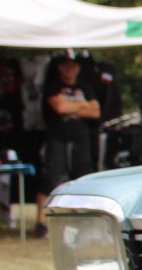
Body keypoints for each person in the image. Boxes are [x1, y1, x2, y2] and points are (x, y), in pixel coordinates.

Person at [35, 54, 100, 237]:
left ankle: (85, 221)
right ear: (60, 68)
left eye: (73, 66)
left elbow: (95, 111)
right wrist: (81, 105)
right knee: (50, 177)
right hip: (57, 137)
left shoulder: (85, 87)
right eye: (66, 66)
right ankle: (41, 222)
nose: (69, 69)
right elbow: (60, 108)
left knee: (83, 177)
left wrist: (71, 104)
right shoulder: (53, 86)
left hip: (80, 138)